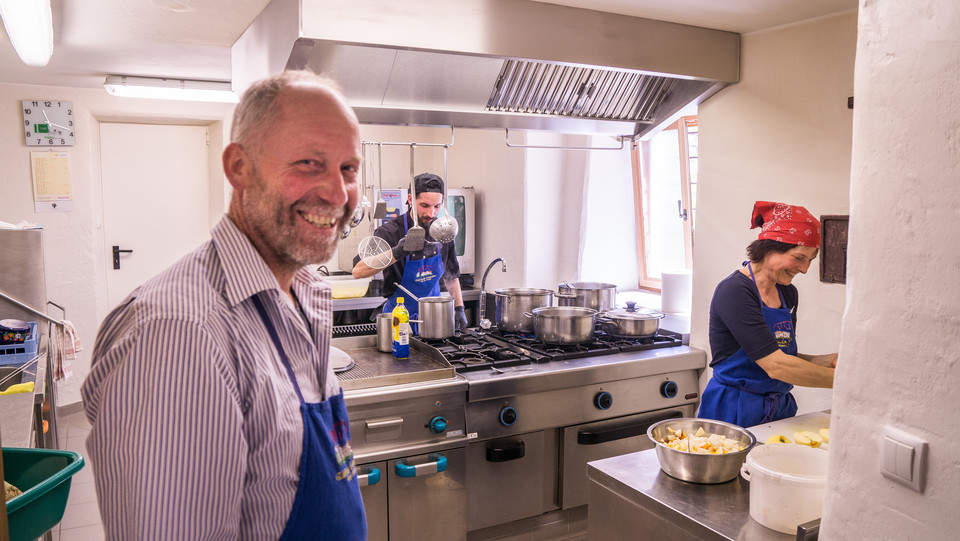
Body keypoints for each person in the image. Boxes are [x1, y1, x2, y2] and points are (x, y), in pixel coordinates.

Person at [81, 70, 367, 540]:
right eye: (309, 163)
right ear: (239, 167)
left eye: (348, 168)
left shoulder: (301, 293)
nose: (338, 195)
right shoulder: (178, 333)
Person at [697, 201, 838, 428]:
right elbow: (776, 365)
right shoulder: (735, 291)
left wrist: (828, 361)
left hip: (779, 409)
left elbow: (779, 353)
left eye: (810, 261)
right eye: (799, 257)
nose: (804, 269)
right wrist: (843, 382)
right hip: (735, 408)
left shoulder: (787, 293)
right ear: (770, 248)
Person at [351, 172, 468, 332]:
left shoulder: (442, 231)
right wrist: (396, 252)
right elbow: (358, 271)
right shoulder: (390, 232)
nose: (431, 214)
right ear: (411, 199)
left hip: (433, 319)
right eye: (425, 206)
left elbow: (451, 276)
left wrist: (459, 307)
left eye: (437, 206)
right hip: (399, 318)